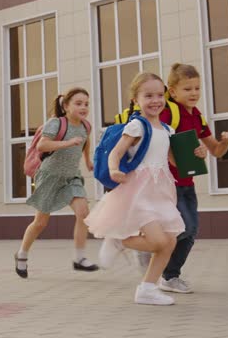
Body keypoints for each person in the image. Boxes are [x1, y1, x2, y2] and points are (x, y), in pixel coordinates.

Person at [85, 72, 185, 306]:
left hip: (161, 191)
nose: (155, 100)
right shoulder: (137, 125)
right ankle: (120, 240)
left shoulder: (168, 130)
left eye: (159, 95)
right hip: (139, 190)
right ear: (136, 100)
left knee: (170, 241)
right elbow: (117, 153)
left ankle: (147, 289)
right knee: (159, 242)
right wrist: (112, 170)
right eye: (148, 95)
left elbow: (174, 161)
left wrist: (196, 153)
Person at [158, 63, 228, 294]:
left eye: (197, 88)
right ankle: (155, 254)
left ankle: (169, 276)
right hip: (167, 183)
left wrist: (227, 143)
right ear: (172, 91)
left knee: (191, 232)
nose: (194, 93)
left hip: (187, 183)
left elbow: (215, 151)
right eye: (187, 89)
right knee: (185, 227)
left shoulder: (197, 115)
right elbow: (155, 143)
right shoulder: (168, 111)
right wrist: (180, 155)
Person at [14, 87, 99, 278]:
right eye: (78, 103)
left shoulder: (86, 126)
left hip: (71, 177)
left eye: (86, 104)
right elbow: (42, 145)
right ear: (67, 106)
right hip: (49, 177)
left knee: (83, 213)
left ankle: (79, 258)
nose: (84, 107)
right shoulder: (56, 123)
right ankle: (22, 254)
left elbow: (85, 141)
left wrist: (87, 160)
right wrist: (67, 143)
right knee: (40, 223)